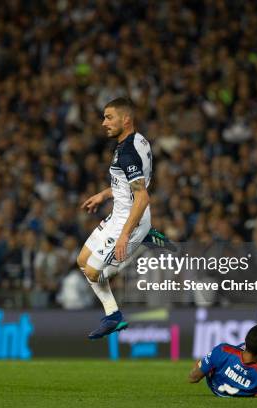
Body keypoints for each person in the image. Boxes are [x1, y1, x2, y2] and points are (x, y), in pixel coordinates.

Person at [77, 97, 154, 339]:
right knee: (82, 260)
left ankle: (140, 246)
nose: (103, 123)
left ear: (126, 119)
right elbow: (129, 185)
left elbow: (142, 198)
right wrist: (103, 194)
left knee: (92, 272)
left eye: (109, 117)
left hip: (130, 221)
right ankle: (113, 316)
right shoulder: (137, 141)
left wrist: (124, 236)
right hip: (117, 214)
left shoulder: (128, 152)